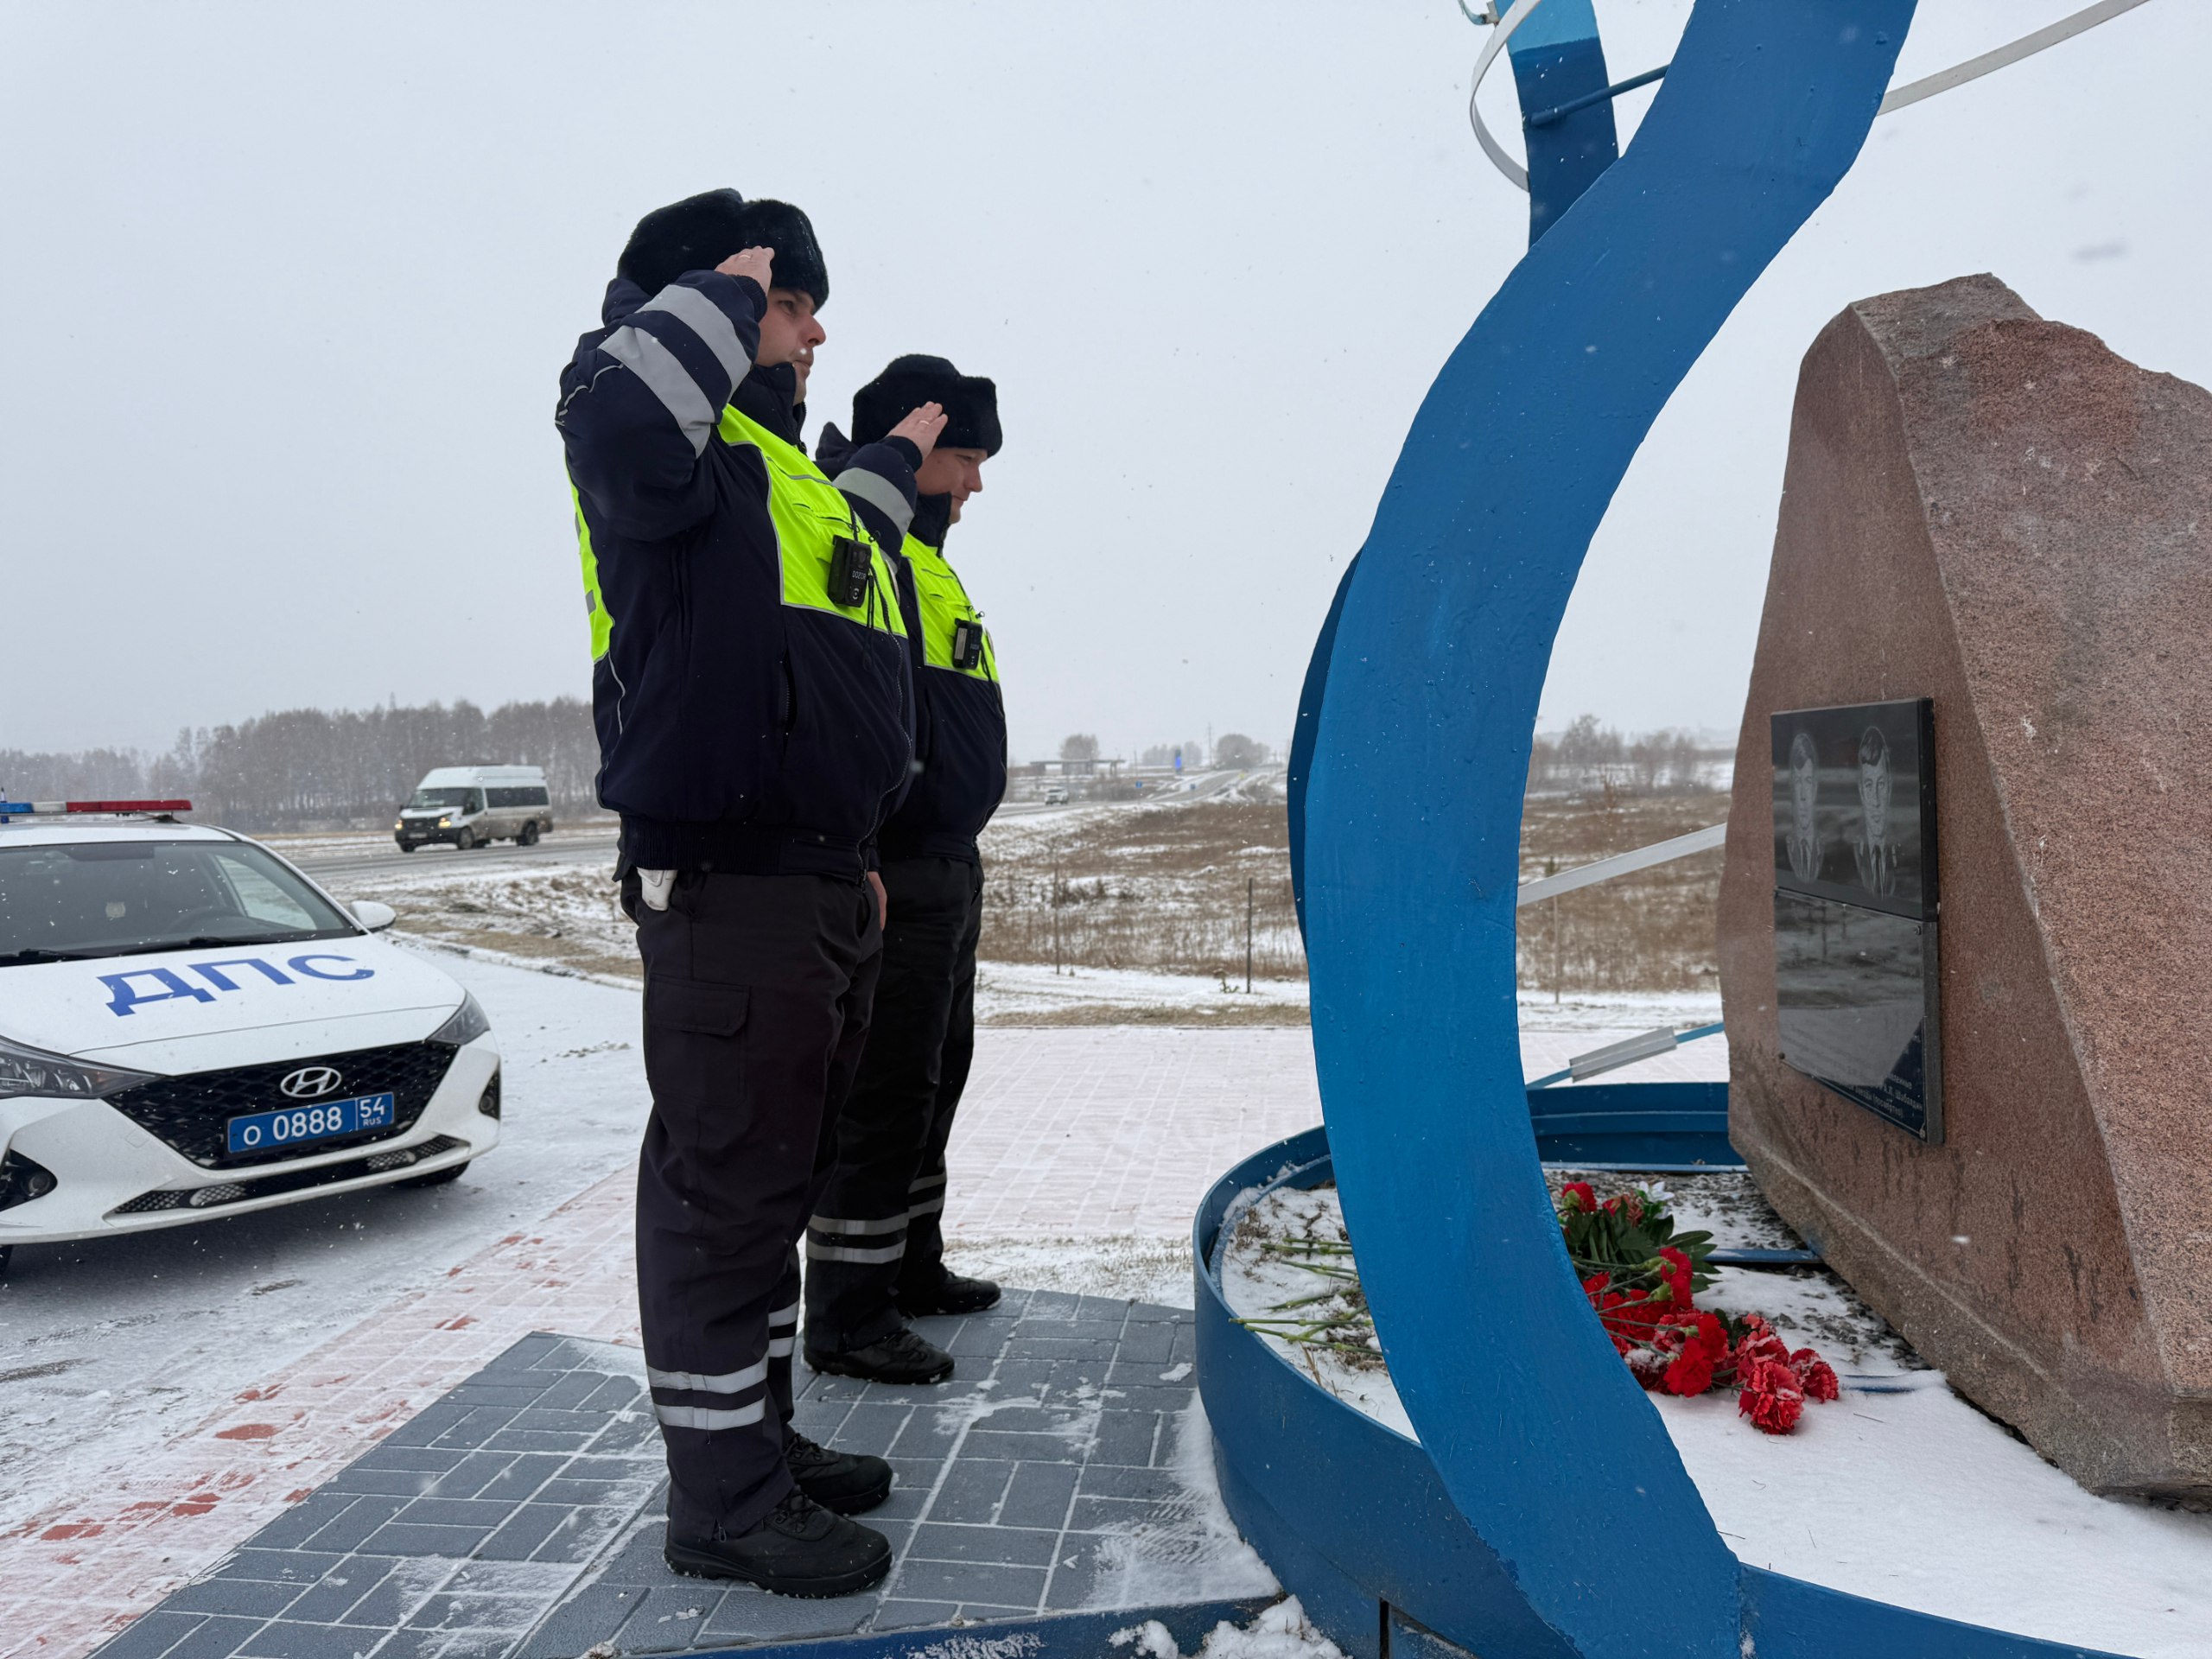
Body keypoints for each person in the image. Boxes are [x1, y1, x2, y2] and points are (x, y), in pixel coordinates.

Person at [556, 188, 949, 1597]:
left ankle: (759, 1444)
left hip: (817, 883)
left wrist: (863, 859)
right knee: (725, 1196)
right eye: (793, 303)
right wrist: (721, 290)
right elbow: (611, 413)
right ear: (710, 304)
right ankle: (720, 1502)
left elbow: (849, 677)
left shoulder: (774, 472)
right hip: (723, 884)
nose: (815, 328)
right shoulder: (659, 441)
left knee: (772, 1182)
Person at [803, 356, 1007, 1382]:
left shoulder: (927, 555)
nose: (974, 483)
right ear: (918, 444)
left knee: (933, 1082)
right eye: (964, 456)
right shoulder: (864, 536)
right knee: (882, 1095)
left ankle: (910, 1265)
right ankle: (845, 1312)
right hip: (896, 868)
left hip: (946, 867)